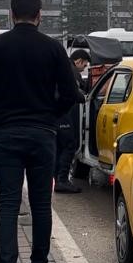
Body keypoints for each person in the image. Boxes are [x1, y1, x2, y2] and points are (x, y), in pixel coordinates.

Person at [0, 0, 79, 263]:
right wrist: (50, 115)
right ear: (39, 14)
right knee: (40, 204)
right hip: (42, 136)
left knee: (7, 205)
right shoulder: (52, 49)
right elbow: (72, 94)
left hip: (6, 134)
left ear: (10, 14)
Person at [54, 49, 91, 194]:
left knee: (59, 147)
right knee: (69, 145)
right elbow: (73, 92)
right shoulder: (71, 71)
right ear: (78, 61)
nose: (85, 68)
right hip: (63, 114)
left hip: (55, 114)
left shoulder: (64, 67)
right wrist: (83, 98)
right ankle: (62, 180)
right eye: (85, 65)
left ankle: (58, 178)